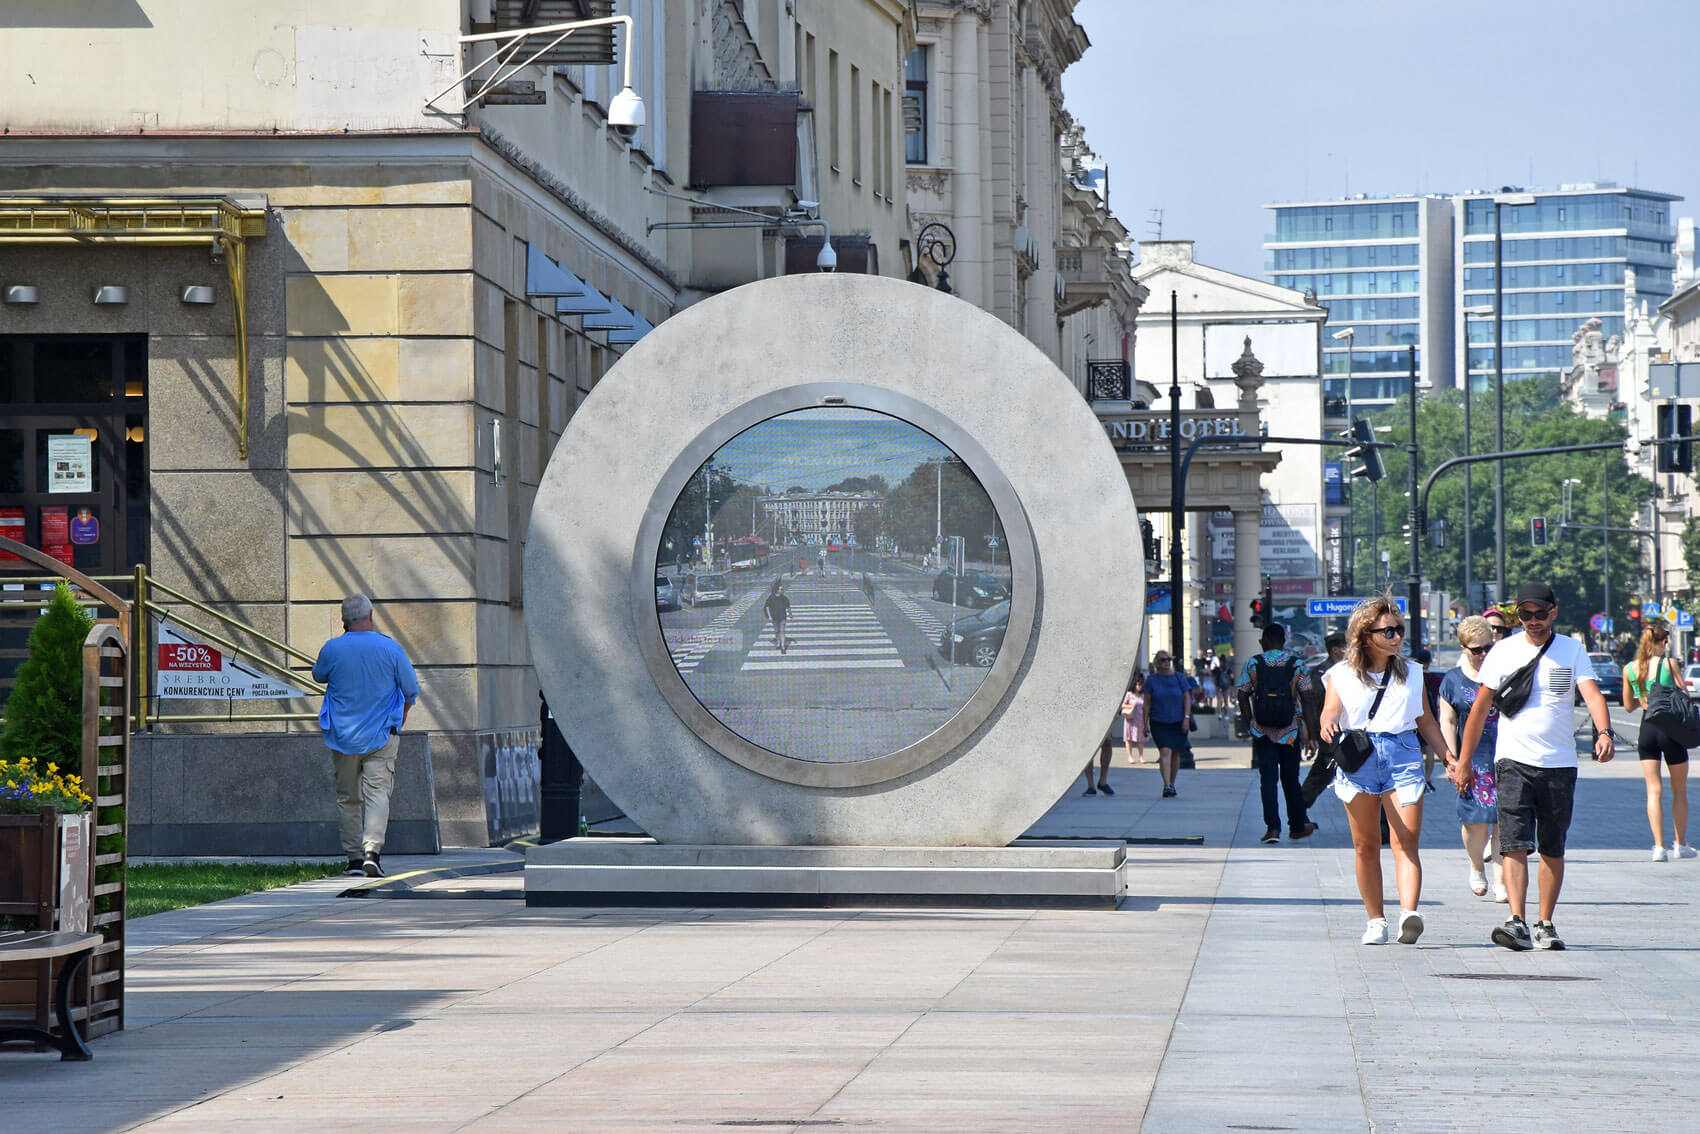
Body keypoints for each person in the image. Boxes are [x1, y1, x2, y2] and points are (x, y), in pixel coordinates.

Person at [1455, 582, 1616, 951]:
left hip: (1559, 763)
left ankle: (1545, 923)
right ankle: (1516, 921)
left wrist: (1604, 731)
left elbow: (1591, 692)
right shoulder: (1502, 652)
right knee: (1513, 844)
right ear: (1517, 616)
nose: (1532, 620)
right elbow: (1480, 709)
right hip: (1513, 761)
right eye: (1525, 614)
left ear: (1553, 612)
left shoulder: (1571, 650)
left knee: (1552, 846)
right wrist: (1463, 761)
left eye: (1539, 613)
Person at [1320, 595, 1456, 946]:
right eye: (1388, 631)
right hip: (1360, 756)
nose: (1396, 637)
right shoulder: (1341, 674)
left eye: (1399, 630)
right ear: (1367, 636)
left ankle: (1409, 913)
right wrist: (1328, 723)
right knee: (1365, 845)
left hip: (1402, 753)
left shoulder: (1412, 672)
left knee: (1405, 840)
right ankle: (1375, 920)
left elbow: (1425, 720)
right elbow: (1330, 710)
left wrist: (1448, 759)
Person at [312, 594, 419, 878]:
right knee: (378, 794)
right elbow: (410, 689)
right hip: (382, 734)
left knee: (348, 797)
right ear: (371, 616)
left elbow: (318, 676)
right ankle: (373, 851)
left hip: (343, 736)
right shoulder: (390, 648)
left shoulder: (332, 649)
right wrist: (403, 714)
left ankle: (354, 859)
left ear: (343, 620)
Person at [1437, 616, 1504, 902]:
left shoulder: (1505, 672)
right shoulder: (1452, 680)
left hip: (1507, 754)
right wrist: (1450, 759)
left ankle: (1502, 881)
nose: (1484, 654)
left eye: (1488, 646)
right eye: (1476, 649)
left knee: (1505, 820)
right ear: (1463, 647)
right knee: (1474, 821)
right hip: (1471, 758)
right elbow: (1448, 720)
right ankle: (1477, 866)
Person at [1621, 623, 1696, 861]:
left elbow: (1628, 706)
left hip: (1647, 729)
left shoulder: (1630, 669)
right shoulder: (1669, 664)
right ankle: (1680, 844)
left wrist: (1642, 696)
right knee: (1679, 790)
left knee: (1653, 791)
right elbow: (1684, 694)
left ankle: (1658, 847)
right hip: (1670, 730)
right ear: (1663, 642)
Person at [1239, 623, 1318, 844]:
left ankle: (1273, 828)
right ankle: (1297, 826)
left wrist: (1251, 724)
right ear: (1284, 642)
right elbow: (1308, 699)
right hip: (1290, 732)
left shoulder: (1252, 663)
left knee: (1268, 780)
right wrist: (1310, 734)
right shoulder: (1297, 665)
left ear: (1263, 641)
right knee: (1291, 780)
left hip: (1263, 733)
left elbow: (1242, 695)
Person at [1299, 633, 1347, 807]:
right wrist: (1312, 735)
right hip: (1331, 733)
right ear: (1335, 650)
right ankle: (1299, 811)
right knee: (1322, 772)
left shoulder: (1350, 671)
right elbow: (1311, 706)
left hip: (1349, 733)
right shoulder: (1321, 674)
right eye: (1346, 647)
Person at [1144, 651, 1195, 798]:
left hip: (1178, 721)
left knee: (1176, 754)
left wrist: (1186, 718)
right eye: (1163, 660)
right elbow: (1146, 704)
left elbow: (1187, 698)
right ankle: (1166, 784)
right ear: (1157, 663)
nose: (1166, 663)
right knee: (1165, 751)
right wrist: (1144, 723)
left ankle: (1172, 784)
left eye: (1168, 660)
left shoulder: (1179, 678)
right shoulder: (1152, 680)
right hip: (1159, 721)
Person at [1123, 672, 1148, 764]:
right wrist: (1131, 706)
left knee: (1141, 739)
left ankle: (1141, 756)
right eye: (1138, 684)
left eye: (1141, 684)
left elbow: (1146, 707)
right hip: (1130, 719)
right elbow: (1123, 705)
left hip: (1140, 720)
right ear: (1135, 684)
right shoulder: (1129, 694)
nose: (1140, 686)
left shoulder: (1143, 695)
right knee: (1129, 738)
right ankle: (1130, 755)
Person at [764, 580, 791, 654]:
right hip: (774, 617)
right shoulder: (771, 598)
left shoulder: (784, 598)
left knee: (782, 631)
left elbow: (788, 607)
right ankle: (778, 643)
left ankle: (783, 646)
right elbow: (767, 607)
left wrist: (790, 615)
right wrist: (769, 616)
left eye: (782, 589)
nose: (782, 590)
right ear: (777, 590)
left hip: (782, 617)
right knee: (777, 631)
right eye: (781, 589)